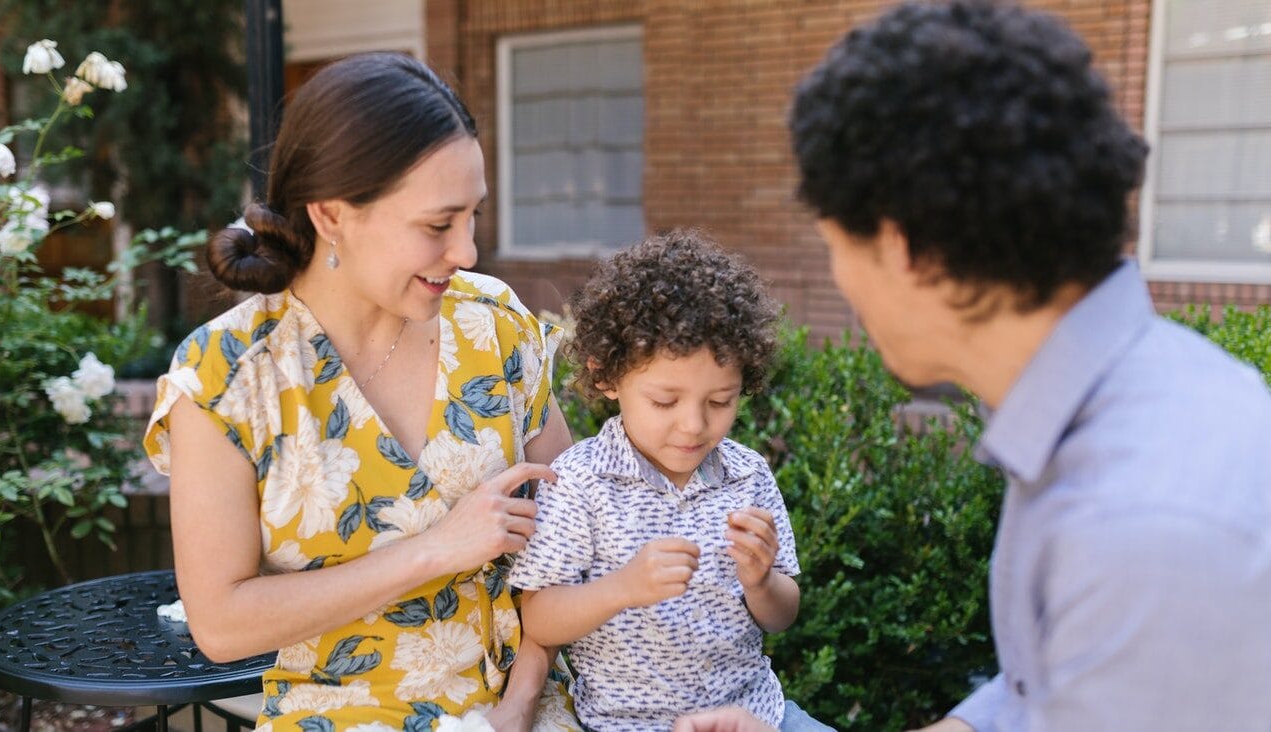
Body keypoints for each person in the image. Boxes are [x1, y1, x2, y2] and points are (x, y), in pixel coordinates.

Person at [677, 1, 1271, 730]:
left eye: (835, 244)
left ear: (904, 250)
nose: (840, 281)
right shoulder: (1136, 403)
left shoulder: (1141, 530)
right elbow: (1036, 696)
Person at [142, 52, 582, 731]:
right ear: (331, 214)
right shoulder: (227, 376)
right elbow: (223, 624)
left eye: (472, 217)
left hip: (523, 705)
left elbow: (579, 524)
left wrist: (523, 699)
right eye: (439, 225)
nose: (466, 250)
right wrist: (436, 550)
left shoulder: (494, 325)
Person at [509, 231, 833, 732]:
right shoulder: (580, 481)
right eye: (665, 401)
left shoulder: (747, 474)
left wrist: (762, 581)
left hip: (755, 715)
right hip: (627, 725)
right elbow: (541, 619)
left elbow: (782, 614)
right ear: (606, 377)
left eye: (720, 401)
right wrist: (621, 588)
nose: (694, 425)